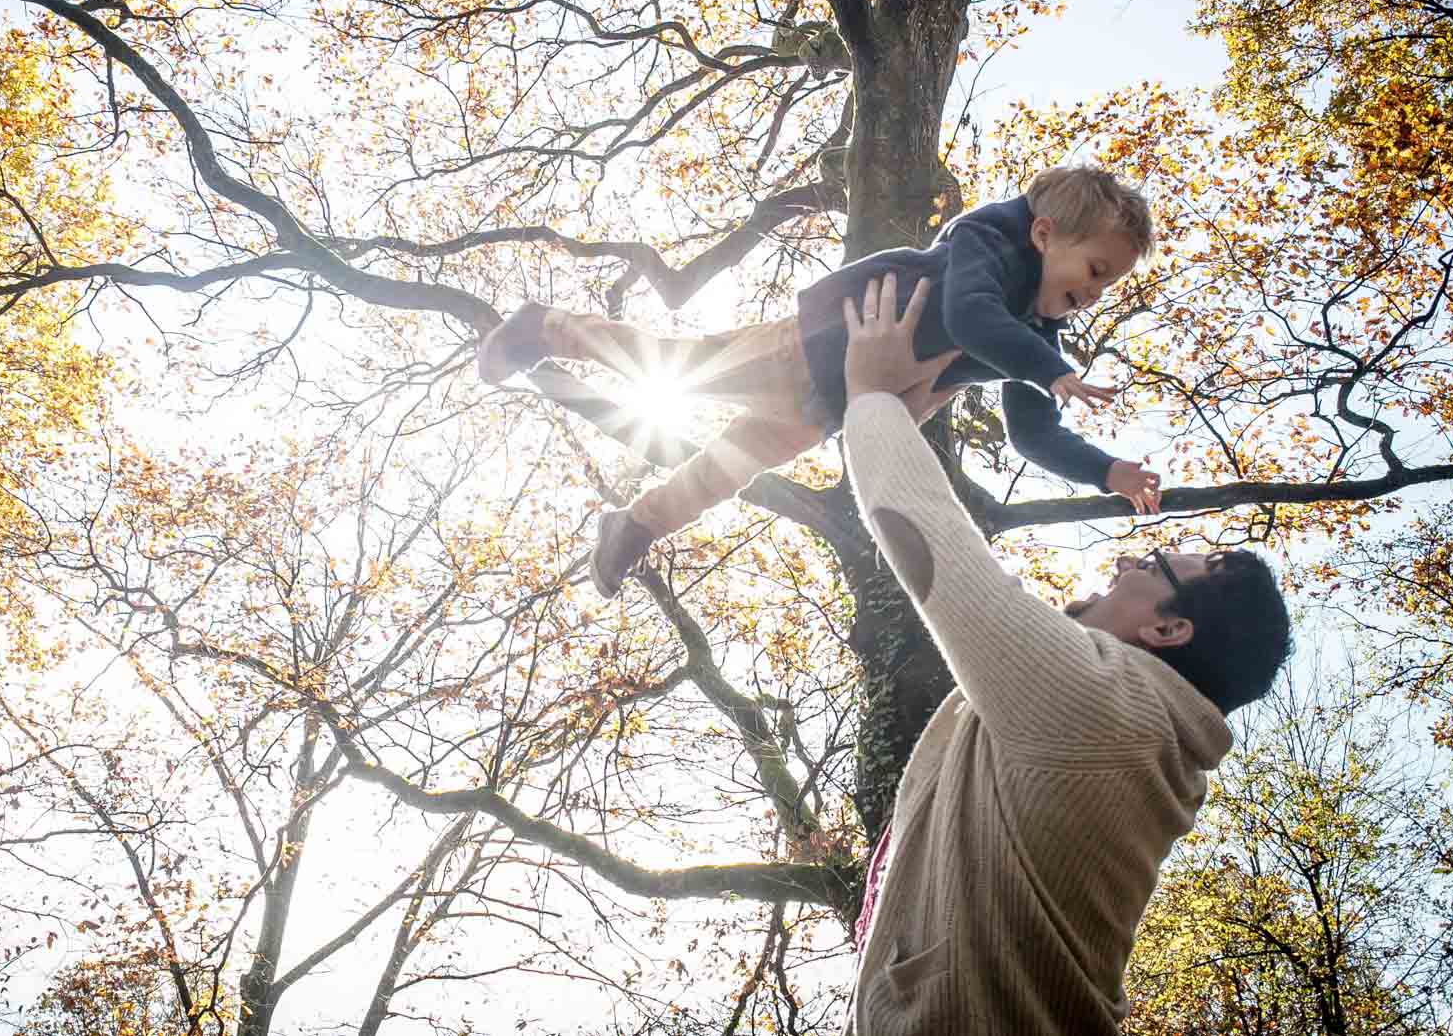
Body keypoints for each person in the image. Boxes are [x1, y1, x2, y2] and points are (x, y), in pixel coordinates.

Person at [836, 272, 1292, 1034]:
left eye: (1153, 568)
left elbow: (936, 552)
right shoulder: (1135, 739)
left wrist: (872, 399)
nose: (1123, 563)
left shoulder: (1107, 705)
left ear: (1169, 631)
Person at [476, 166, 1163, 598]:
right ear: (1044, 234)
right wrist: (1053, 369)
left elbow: (1032, 431)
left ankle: (634, 523)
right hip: (810, 351)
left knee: (726, 469)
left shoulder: (1036, 336)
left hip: (831, 404)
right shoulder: (987, 247)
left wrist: (1107, 472)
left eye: (1110, 284)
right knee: (673, 366)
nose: (1094, 293)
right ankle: (546, 326)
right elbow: (969, 314)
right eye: (1095, 271)